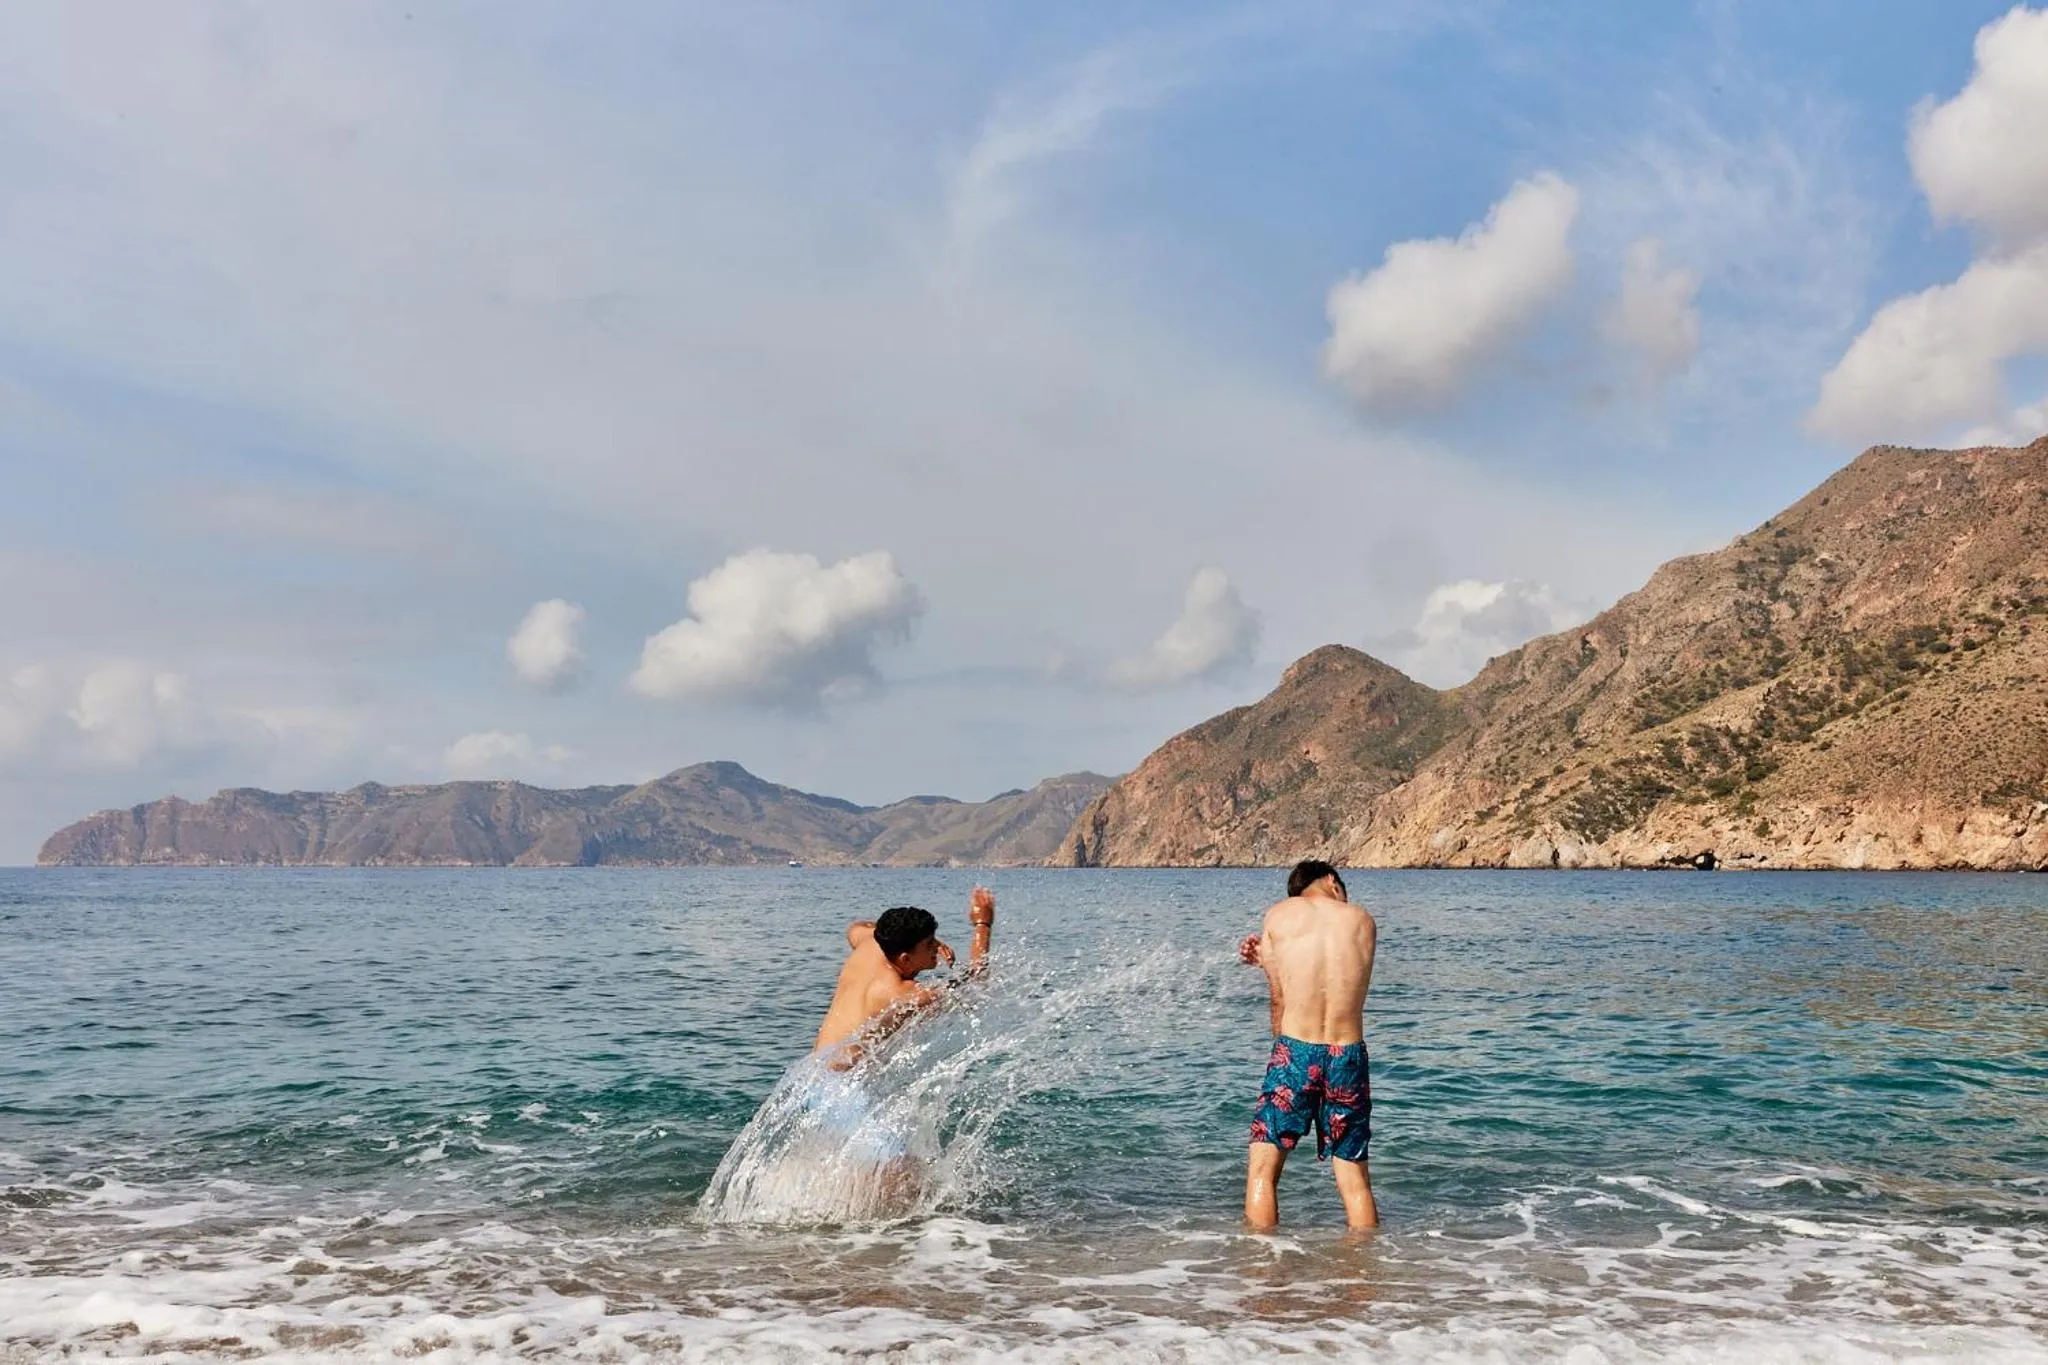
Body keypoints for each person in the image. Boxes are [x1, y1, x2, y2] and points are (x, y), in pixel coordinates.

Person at [798, 888, 995, 1184]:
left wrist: (925, 939)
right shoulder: (903, 995)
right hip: (837, 1091)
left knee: (884, 1164)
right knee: (904, 1170)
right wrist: (982, 926)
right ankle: (895, 1231)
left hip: (815, 1079)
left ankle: (867, 1223)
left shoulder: (869, 946)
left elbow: (856, 927)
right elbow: (977, 987)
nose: (934, 950)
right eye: (928, 944)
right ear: (904, 958)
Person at [1236, 860, 1379, 1230]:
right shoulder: (1362, 921)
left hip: (1297, 1049)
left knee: (1262, 1174)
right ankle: (1365, 1278)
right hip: (1348, 1054)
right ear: (1332, 881)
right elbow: (1340, 981)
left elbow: (1281, 1002)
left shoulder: (1280, 916)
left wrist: (1269, 965)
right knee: (1355, 1181)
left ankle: (1262, 1271)